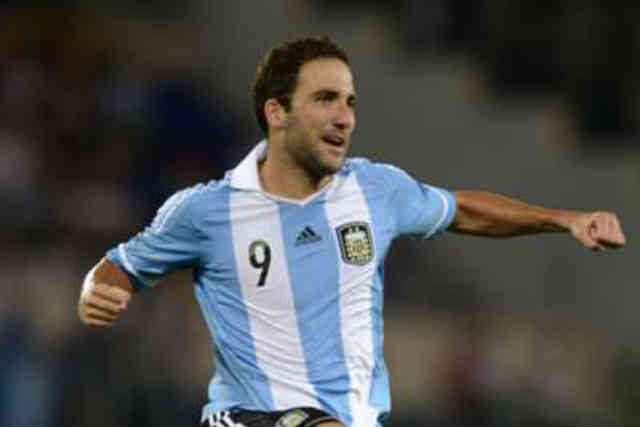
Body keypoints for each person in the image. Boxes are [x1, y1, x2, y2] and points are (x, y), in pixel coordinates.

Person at [77, 36, 627, 427]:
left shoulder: (375, 190)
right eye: (325, 99)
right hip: (247, 419)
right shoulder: (205, 211)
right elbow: (120, 267)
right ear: (277, 112)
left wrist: (563, 220)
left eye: (350, 101)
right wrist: (97, 294)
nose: (345, 117)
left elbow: (461, 211)